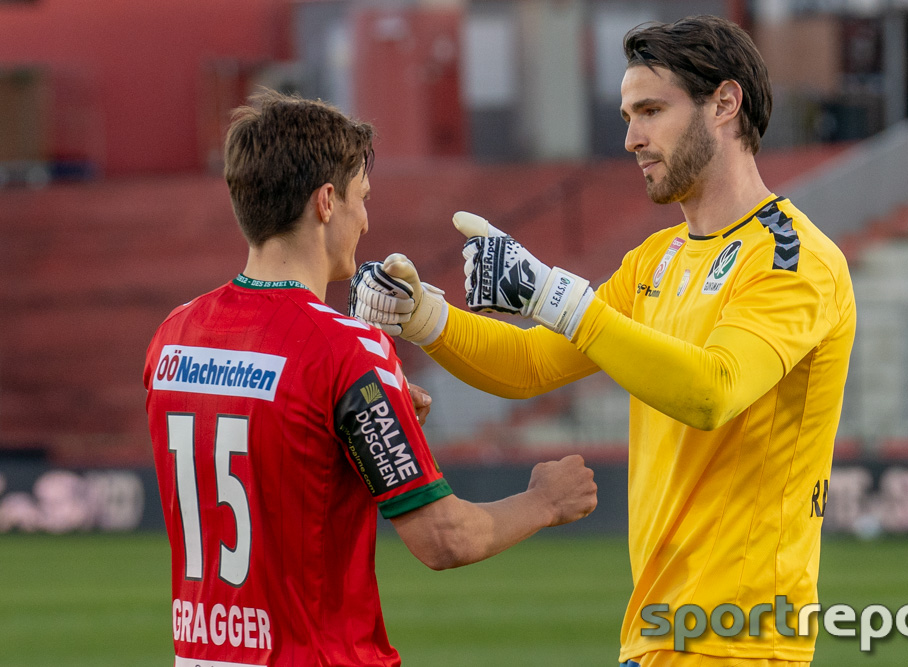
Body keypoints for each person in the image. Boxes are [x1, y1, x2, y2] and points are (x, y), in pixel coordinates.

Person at [350, 15, 855, 667]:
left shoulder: (794, 258)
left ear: (725, 104)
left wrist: (555, 296)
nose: (631, 137)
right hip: (658, 632)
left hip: (740, 638)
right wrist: (423, 317)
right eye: (627, 114)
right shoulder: (657, 259)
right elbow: (531, 362)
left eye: (651, 110)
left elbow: (714, 390)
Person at [142, 89, 598, 667]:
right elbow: (444, 540)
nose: (366, 219)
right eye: (362, 198)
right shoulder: (346, 348)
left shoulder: (173, 334)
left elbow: (273, 454)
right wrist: (545, 502)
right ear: (326, 202)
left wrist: (358, 429)